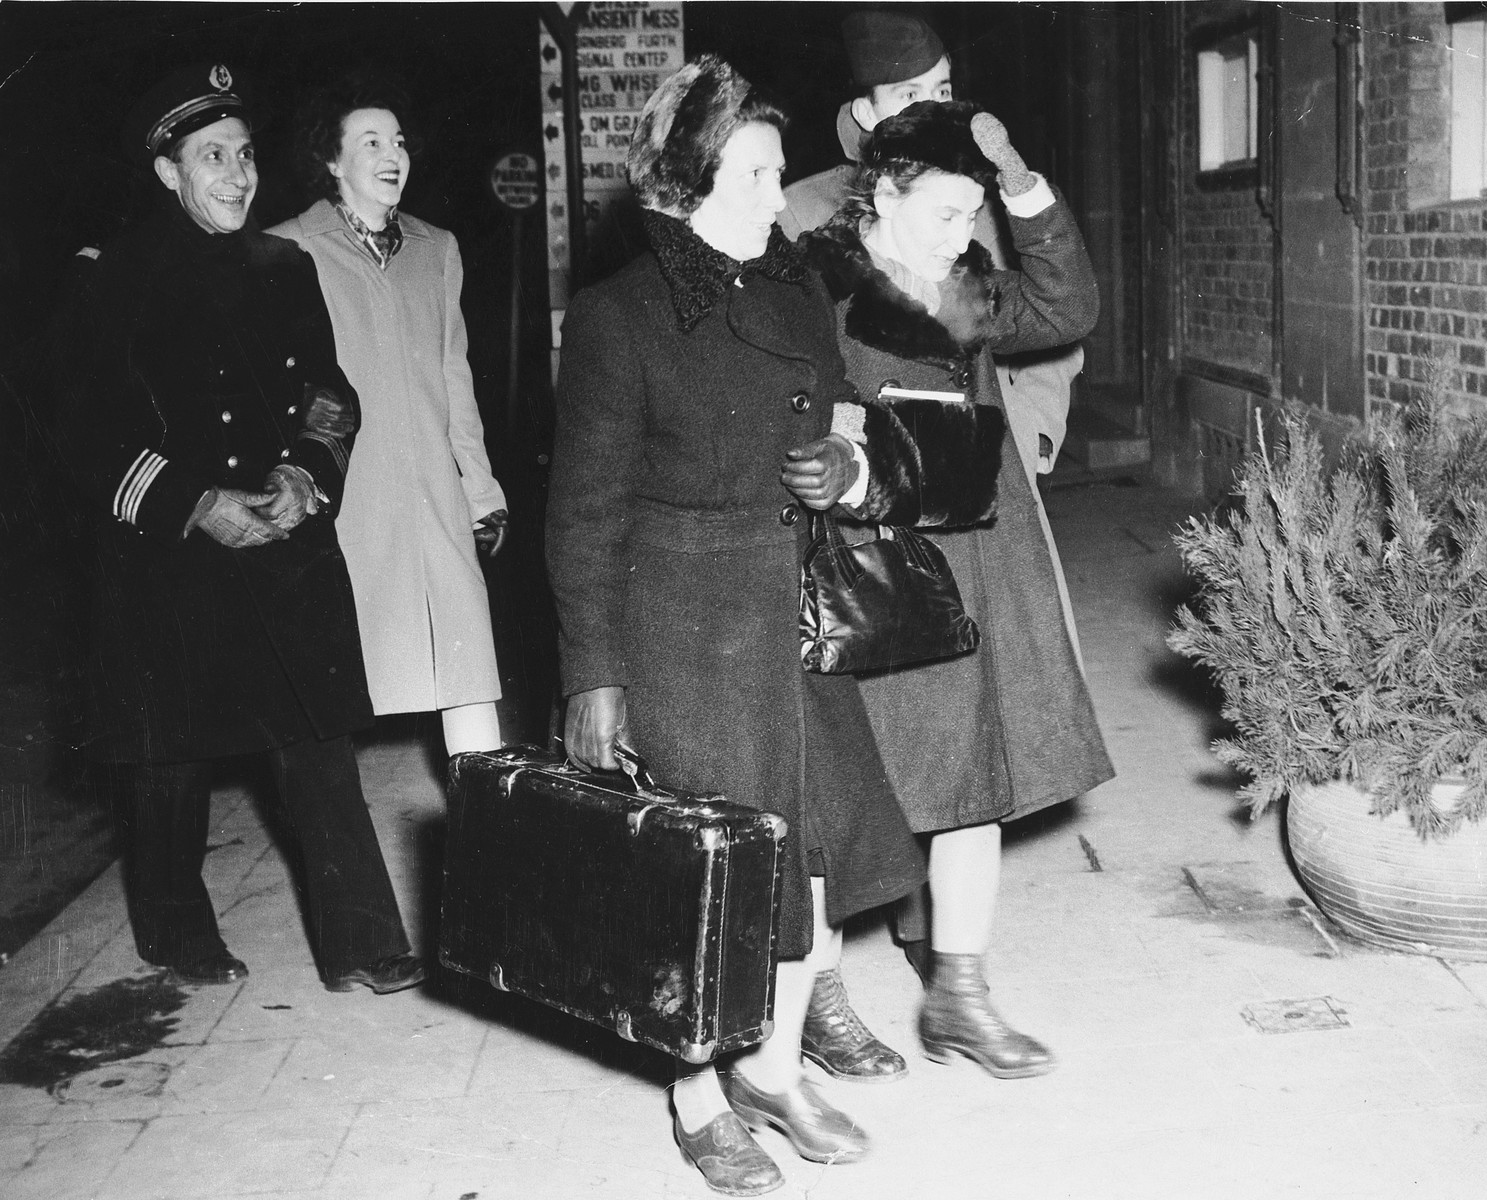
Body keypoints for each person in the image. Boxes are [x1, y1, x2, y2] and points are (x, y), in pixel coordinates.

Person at [547, 56, 1005, 1196]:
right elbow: (582, 512)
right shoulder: (620, 317)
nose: (770, 192)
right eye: (747, 173)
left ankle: (770, 1065)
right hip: (683, 626)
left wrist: (848, 463)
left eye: (768, 171)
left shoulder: (796, 287)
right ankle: (696, 1094)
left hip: (799, 610)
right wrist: (590, 675)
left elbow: (863, 405)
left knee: (817, 858)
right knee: (710, 881)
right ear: (683, 182)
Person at [779, 8, 1104, 1085]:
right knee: (844, 788)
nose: (964, 230)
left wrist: (1015, 184)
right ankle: (816, 998)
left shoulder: (964, 279)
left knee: (974, 774)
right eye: (947, 208)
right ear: (877, 193)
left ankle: (957, 995)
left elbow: (1064, 301)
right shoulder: (814, 283)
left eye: (973, 211)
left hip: (972, 552)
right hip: (863, 563)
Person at [57, 62, 423, 995]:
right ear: (167, 172)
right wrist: (193, 502)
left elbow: (329, 393)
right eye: (210, 156)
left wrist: (307, 474)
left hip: (282, 540)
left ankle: (364, 940)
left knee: (318, 745)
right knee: (167, 759)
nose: (236, 174)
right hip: (171, 556)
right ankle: (176, 932)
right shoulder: (112, 278)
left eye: (246, 154)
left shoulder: (282, 266)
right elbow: (83, 432)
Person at [269, 79, 508, 758]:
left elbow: (454, 379)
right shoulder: (287, 248)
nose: (391, 153)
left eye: (398, 140)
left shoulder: (438, 250)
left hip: (433, 492)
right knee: (338, 677)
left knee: (468, 669)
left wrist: (481, 492)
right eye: (369, 141)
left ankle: (486, 820)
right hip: (345, 496)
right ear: (331, 162)